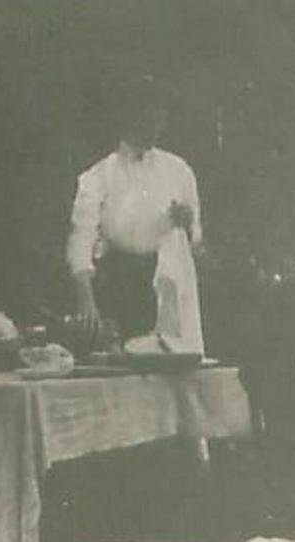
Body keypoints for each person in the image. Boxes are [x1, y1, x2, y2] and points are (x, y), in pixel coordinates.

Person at [66, 77, 204, 353]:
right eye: (148, 118)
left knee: (171, 366)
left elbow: (197, 240)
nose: (156, 126)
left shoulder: (178, 170)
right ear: (127, 118)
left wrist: (188, 225)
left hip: (168, 283)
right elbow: (81, 239)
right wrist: (86, 298)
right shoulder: (97, 177)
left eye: (159, 119)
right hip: (119, 285)